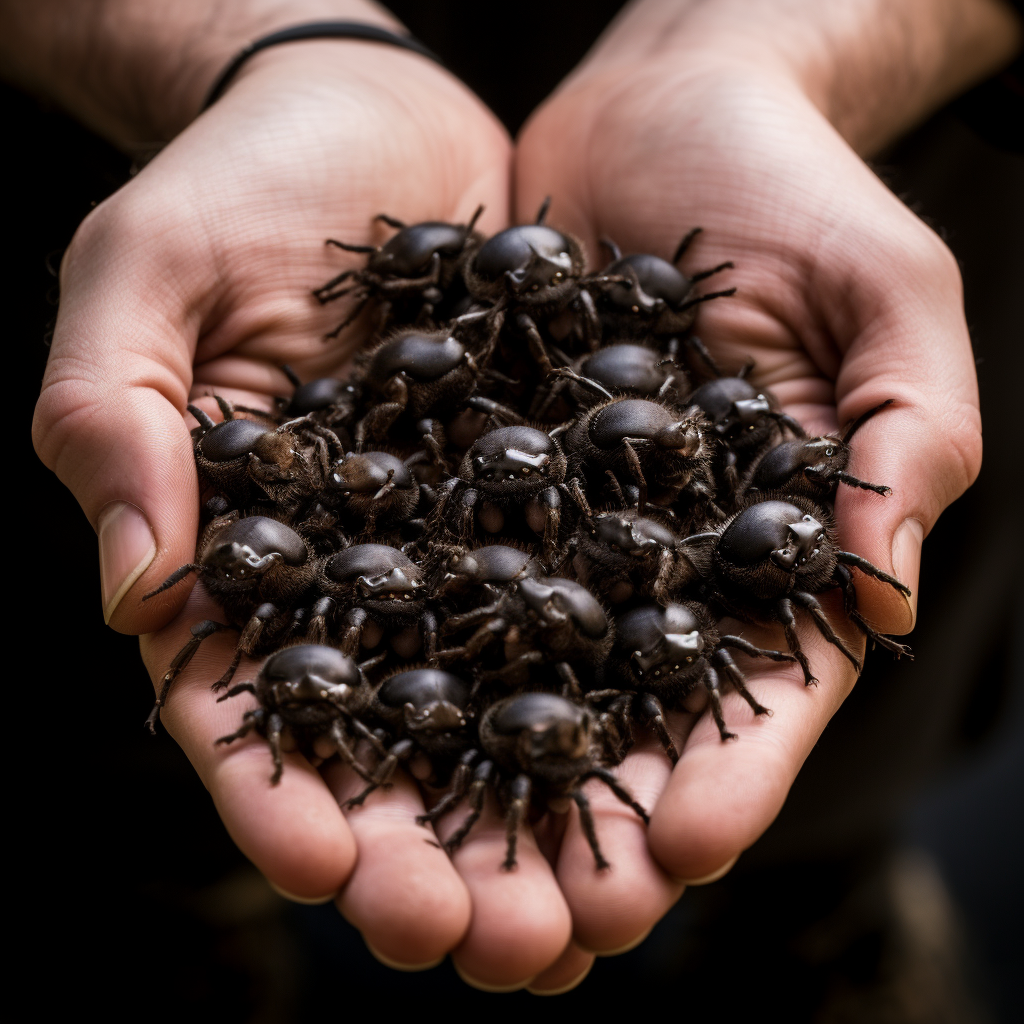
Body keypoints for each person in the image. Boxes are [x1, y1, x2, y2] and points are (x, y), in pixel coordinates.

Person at [7, 0, 1021, 997]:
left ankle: (821, 910)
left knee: (813, 830)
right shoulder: (395, 508)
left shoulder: (633, 477)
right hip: (94, 613)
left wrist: (767, 41)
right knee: (134, 863)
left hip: (817, 502)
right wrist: (262, 41)